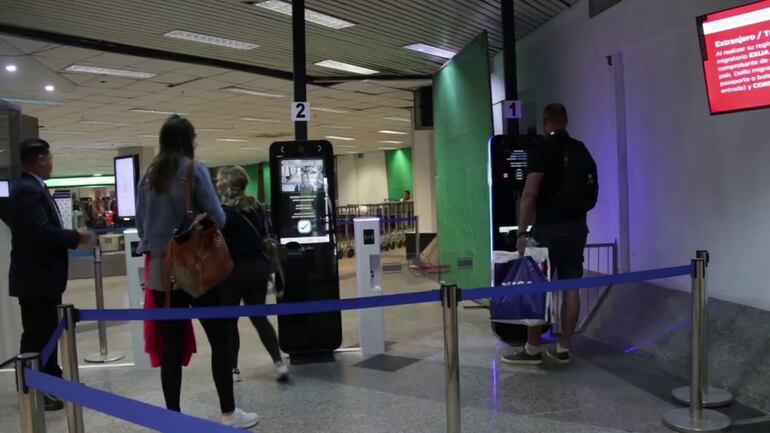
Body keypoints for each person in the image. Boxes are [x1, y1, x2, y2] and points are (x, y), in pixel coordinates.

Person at [135, 115, 259, 429]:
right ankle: (229, 414)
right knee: (219, 339)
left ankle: (172, 418)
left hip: (161, 271)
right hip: (197, 266)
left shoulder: (148, 176)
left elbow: (140, 227)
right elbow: (219, 217)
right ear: (187, 139)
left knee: (170, 346)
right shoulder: (194, 169)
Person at [502, 103, 596, 366]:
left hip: (547, 230)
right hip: (577, 229)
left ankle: (532, 348)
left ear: (545, 123)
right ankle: (564, 348)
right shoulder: (580, 149)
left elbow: (530, 193)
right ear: (566, 121)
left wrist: (522, 231)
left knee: (536, 288)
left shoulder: (542, 149)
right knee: (571, 287)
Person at [9, 138, 95, 411]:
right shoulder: (27, 191)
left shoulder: (33, 188)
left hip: (42, 277)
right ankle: (34, 387)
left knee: (47, 331)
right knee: (37, 333)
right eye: (49, 157)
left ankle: (51, 381)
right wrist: (75, 237)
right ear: (40, 159)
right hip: (36, 277)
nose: (52, 162)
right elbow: (40, 232)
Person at [215, 166, 289, 384]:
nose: (217, 184)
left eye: (219, 180)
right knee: (259, 318)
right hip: (257, 269)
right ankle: (278, 363)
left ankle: (233, 369)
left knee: (229, 321)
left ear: (228, 184)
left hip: (232, 273)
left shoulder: (223, 212)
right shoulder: (256, 206)